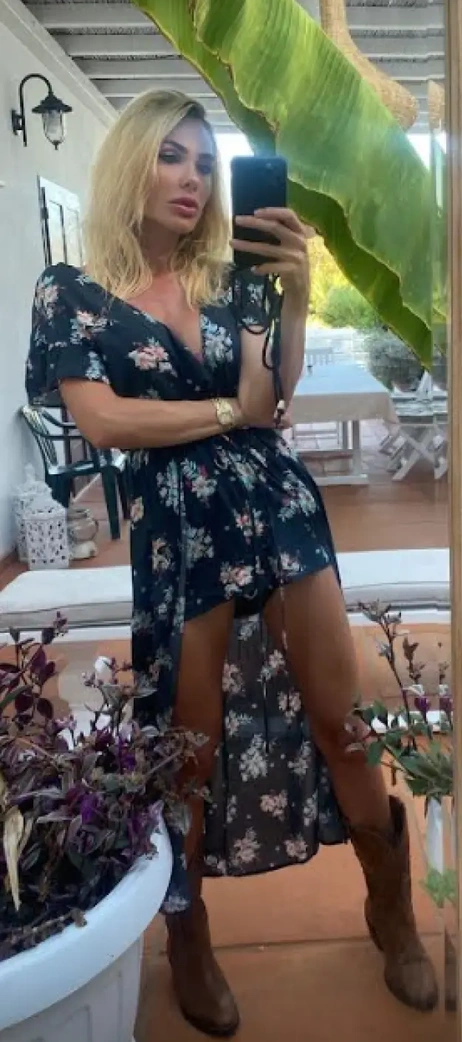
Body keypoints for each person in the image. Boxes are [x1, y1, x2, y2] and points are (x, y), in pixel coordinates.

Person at [25, 89, 437, 1036]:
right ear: (130, 162)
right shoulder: (71, 290)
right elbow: (105, 420)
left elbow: (270, 395)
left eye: (206, 165)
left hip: (276, 507)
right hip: (179, 527)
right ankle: (190, 937)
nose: (193, 179)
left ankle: (391, 909)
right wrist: (224, 414)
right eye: (172, 157)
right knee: (191, 752)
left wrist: (291, 297)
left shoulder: (229, 277)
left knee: (343, 724)